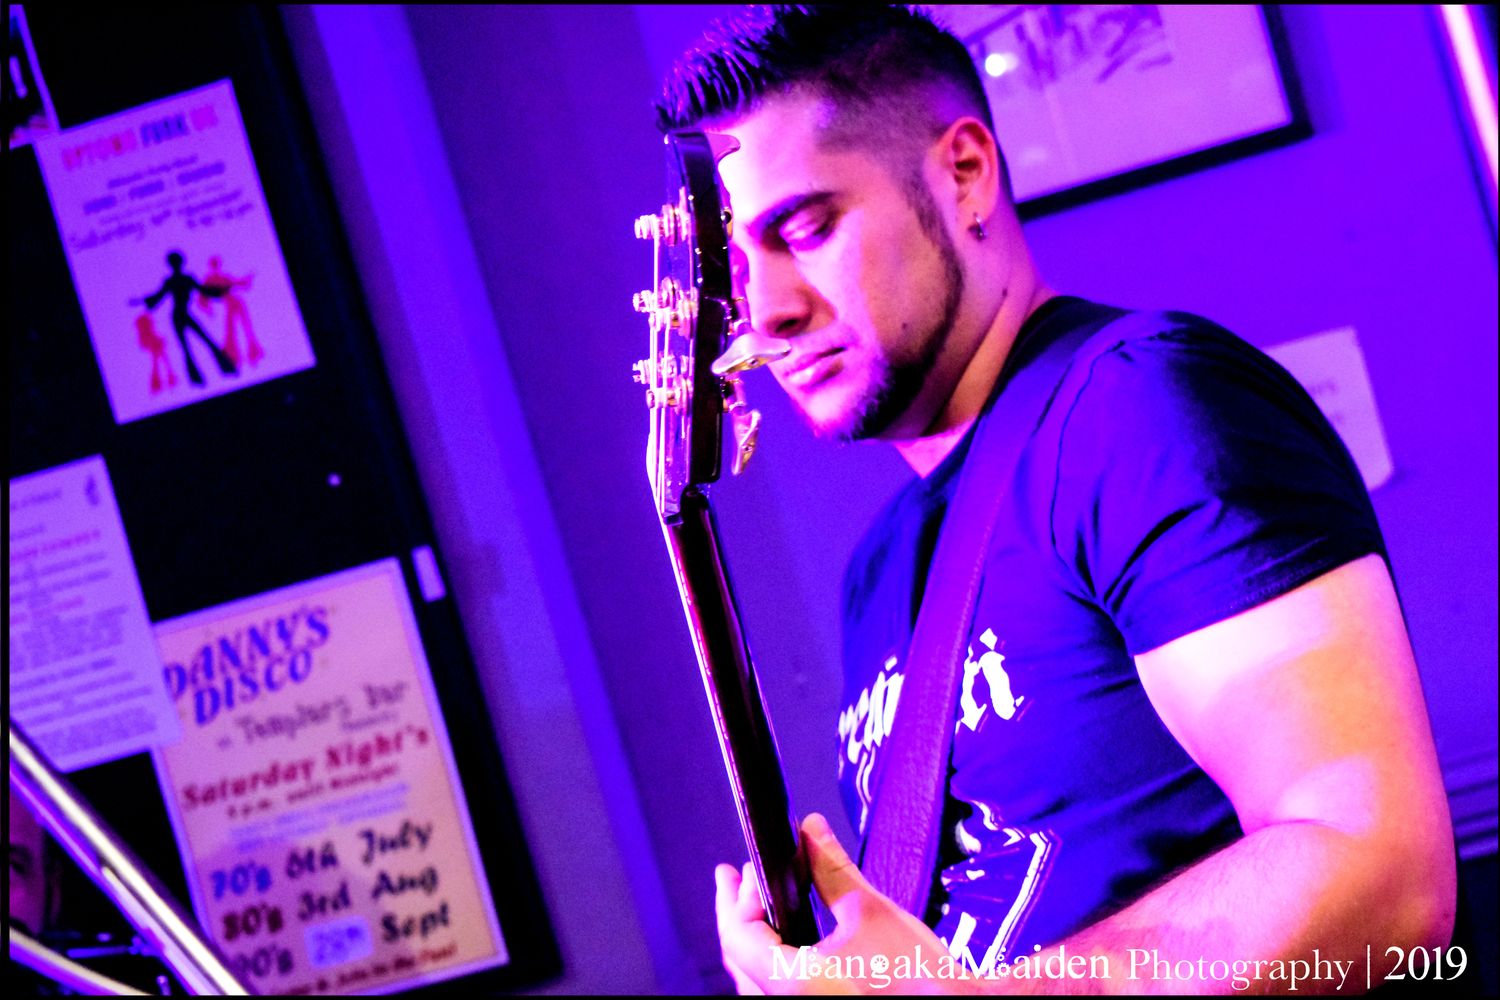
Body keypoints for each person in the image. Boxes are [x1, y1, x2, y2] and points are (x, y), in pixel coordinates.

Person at [654, 6, 1456, 994]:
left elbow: (1383, 879)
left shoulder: (1140, 409)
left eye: (808, 229)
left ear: (964, 174)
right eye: (734, 265)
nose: (766, 309)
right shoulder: (880, 568)